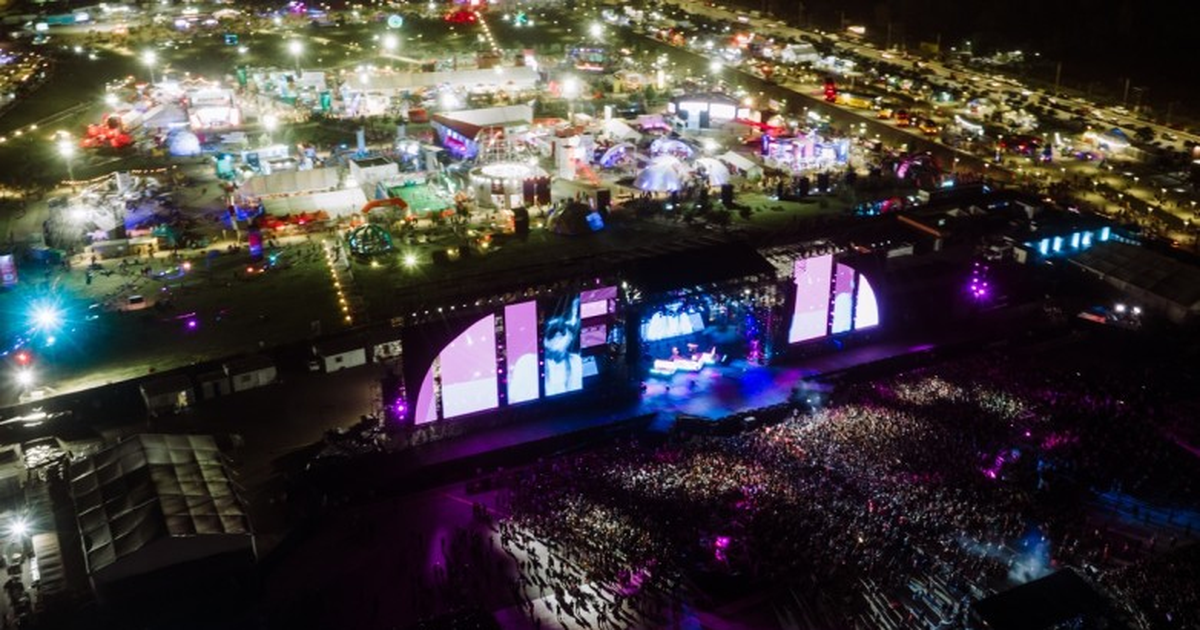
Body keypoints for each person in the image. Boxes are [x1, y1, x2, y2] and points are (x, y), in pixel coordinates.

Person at [543, 298, 582, 396]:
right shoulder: (528, 363)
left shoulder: (577, 362)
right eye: (552, 331)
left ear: (570, 336)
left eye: (562, 331)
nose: (557, 334)